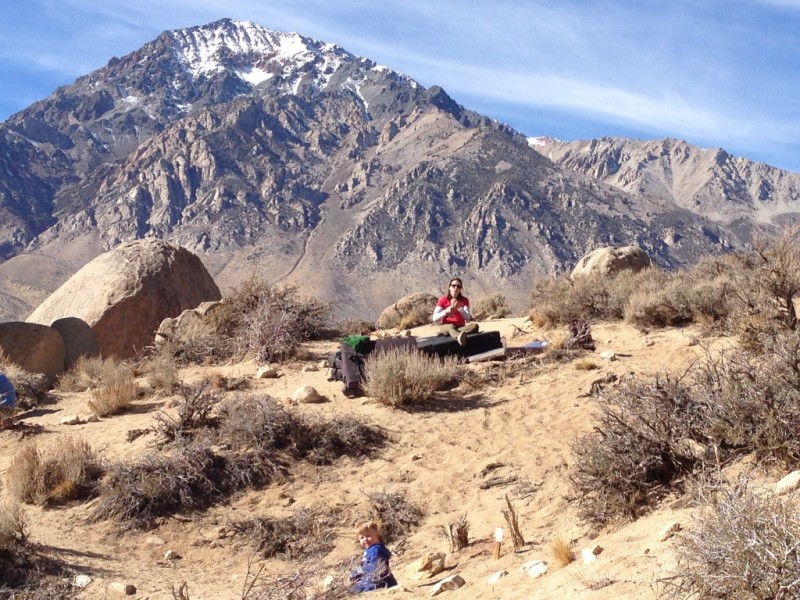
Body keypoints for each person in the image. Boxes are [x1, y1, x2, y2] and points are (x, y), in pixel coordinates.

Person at [350, 521, 397, 592]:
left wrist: (365, 584)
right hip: (370, 578)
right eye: (362, 538)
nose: (365, 539)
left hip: (380, 581)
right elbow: (364, 565)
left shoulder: (376, 550)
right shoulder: (369, 549)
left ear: (377, 535)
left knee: (356, 590)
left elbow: (374, 569)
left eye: (368, 536)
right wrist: (355, 573)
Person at [432, 277, 479, 346]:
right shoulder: (442, 300)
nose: (456, 288)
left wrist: (459, 308)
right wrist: (445, 311)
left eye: (458, 286)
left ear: (460, 289)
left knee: (475, 326)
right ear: (449, 287)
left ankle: (454, 333)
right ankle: (458, 337)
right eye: (453, 286)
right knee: (450, 327)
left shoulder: (464, 300)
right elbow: (434, 318)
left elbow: (467, 318)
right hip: (446, 326)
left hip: (460, 327)